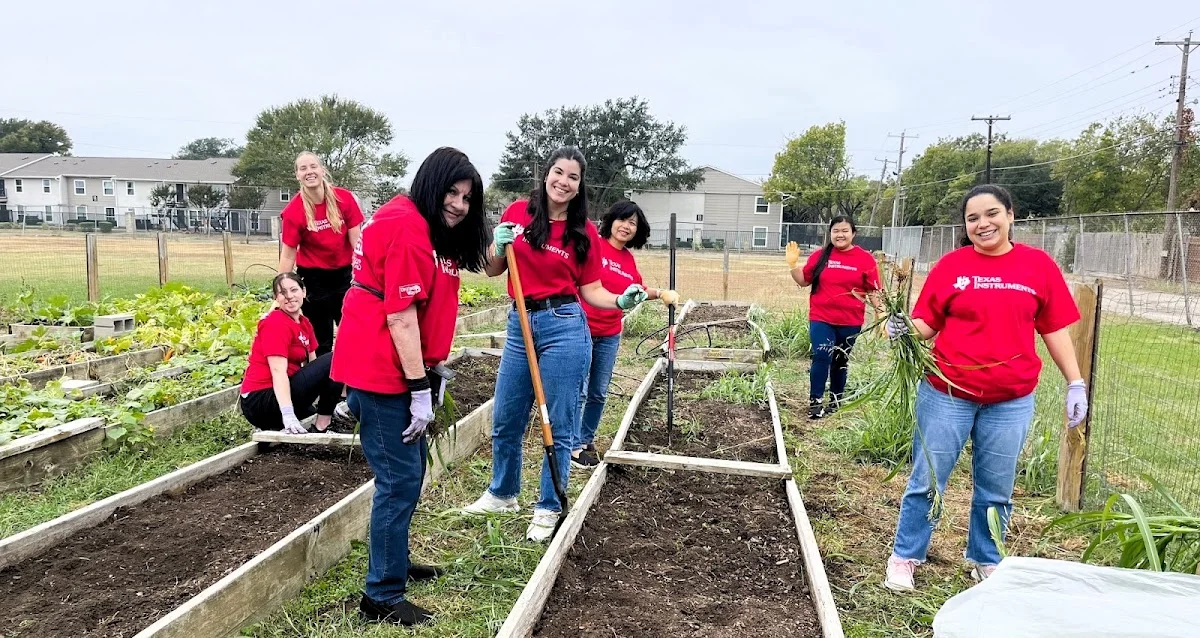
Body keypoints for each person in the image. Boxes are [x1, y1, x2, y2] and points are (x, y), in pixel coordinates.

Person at [882, 184, 1088, 592]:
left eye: (991, 214)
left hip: (1009, 400)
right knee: (927, 480)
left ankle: (986, 559)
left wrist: (1075, 381)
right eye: (973, 218)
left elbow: (1053, 328)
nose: (983, 223)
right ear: (965, 225)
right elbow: (928, 324)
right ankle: (905, 555)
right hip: (947, 394)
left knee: (996, 487)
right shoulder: (951, 266)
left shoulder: (1038, 266)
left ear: (1011, 216)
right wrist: (903, 328)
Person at [330, 147, 491, 626]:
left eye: (467, 197)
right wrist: (419, 387)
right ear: (431, 183)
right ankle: (380, 595)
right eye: (452, 192)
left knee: (409, 472)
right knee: (398, 480)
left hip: (389, 364)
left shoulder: (418, 222)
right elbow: (399, 317)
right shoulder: (407, 228)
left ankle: (392, 562)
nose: (460, 205)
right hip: (385, 370)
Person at [463, 146, 648, 543]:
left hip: (564, 324)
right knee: (508, 416)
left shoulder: (584, 234)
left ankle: (548, 505)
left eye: (573, 177)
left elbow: (592, 290)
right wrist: (495, 244)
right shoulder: (518, 213)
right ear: (546, 174)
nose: (564, 182)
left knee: (558, 422)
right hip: (519, 323)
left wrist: (618, 301)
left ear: (580, 186)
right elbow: (493, 268)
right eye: (558, 173)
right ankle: (503, 492)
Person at [573, 200, 679, 468]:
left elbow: (637, 290)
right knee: (580, 390)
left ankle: (586, 439)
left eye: (633, 223)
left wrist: (661, 293)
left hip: (609, 333)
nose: (626, 226)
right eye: (623, 219)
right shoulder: (593, 245)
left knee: (598, 392)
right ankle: (572, 445)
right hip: (582, 328)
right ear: (612, 221)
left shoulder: (628, 260)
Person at [786, 216, 883, 420]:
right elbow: (804, 281)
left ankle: (836, 400)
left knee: (840, 360)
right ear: (830, 234)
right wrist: (793, 265)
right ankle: (816, 402)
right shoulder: (820, 256)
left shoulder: (865, 259)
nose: (840, 234)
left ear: (853, 233)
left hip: (850, 321)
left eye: (845, 230)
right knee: (821, 356)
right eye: (836, 231)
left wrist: (881, 313)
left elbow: (873, 291)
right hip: (821, 318)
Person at [277, 151, 365, 356]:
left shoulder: (344, 199)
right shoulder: (294, 211)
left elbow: (357, 244)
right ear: (297, 175)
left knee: (353, 332)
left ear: (322, 170)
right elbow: (288, 255)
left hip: (345, 275)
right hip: (314, 279)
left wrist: (365, 278)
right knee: (321, 340)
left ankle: (352, 384)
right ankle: (325, 385)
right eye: (303, 168)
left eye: (313, 166)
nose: (309, 172)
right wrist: (281, 290)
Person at [238, 273, 342, 433]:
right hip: (261, 400)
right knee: (338, 356)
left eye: (294, 290)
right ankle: (321, 425)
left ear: (304, 292)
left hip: (284, 394)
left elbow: (315, 369)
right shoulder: (275, 323)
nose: (289, 296)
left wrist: (330, 399)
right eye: (282, 293)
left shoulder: (304, 323)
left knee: (335, 363)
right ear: (275, 298)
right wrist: (288, 414)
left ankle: (323, 422)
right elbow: (277, 371)